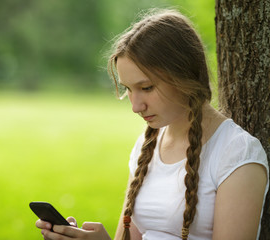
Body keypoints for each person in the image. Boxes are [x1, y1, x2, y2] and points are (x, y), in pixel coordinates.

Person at [35, 9, 269, 240]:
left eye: (146, 88)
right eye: (128, 89)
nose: (136, 106)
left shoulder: (237, 154)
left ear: (184, 77)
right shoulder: (146, 146)